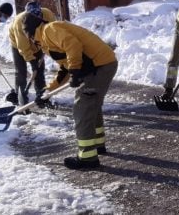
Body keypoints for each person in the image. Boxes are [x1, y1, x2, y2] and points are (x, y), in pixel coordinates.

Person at [23, 14, 117, 170]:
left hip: (99, 66)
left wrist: (74, 71)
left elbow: (72, 45)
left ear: (31, 33)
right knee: (91, 103)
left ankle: (87, 157)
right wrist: (48, 91)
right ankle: (97, 145)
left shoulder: (49, 30)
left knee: (82, 107)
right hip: (100, 65)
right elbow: (64, 68)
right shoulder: (47, 38)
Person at [8, 0, 56, 106]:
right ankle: (20, 96)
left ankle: (41, 96)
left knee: (39, 70)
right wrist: (32, 61)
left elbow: (52, 32)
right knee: (21, 71)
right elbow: (23, 47)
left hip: (38, 43)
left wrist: (45, 46)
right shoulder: (19, 22)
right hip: (18, 44)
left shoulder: (47, 14)